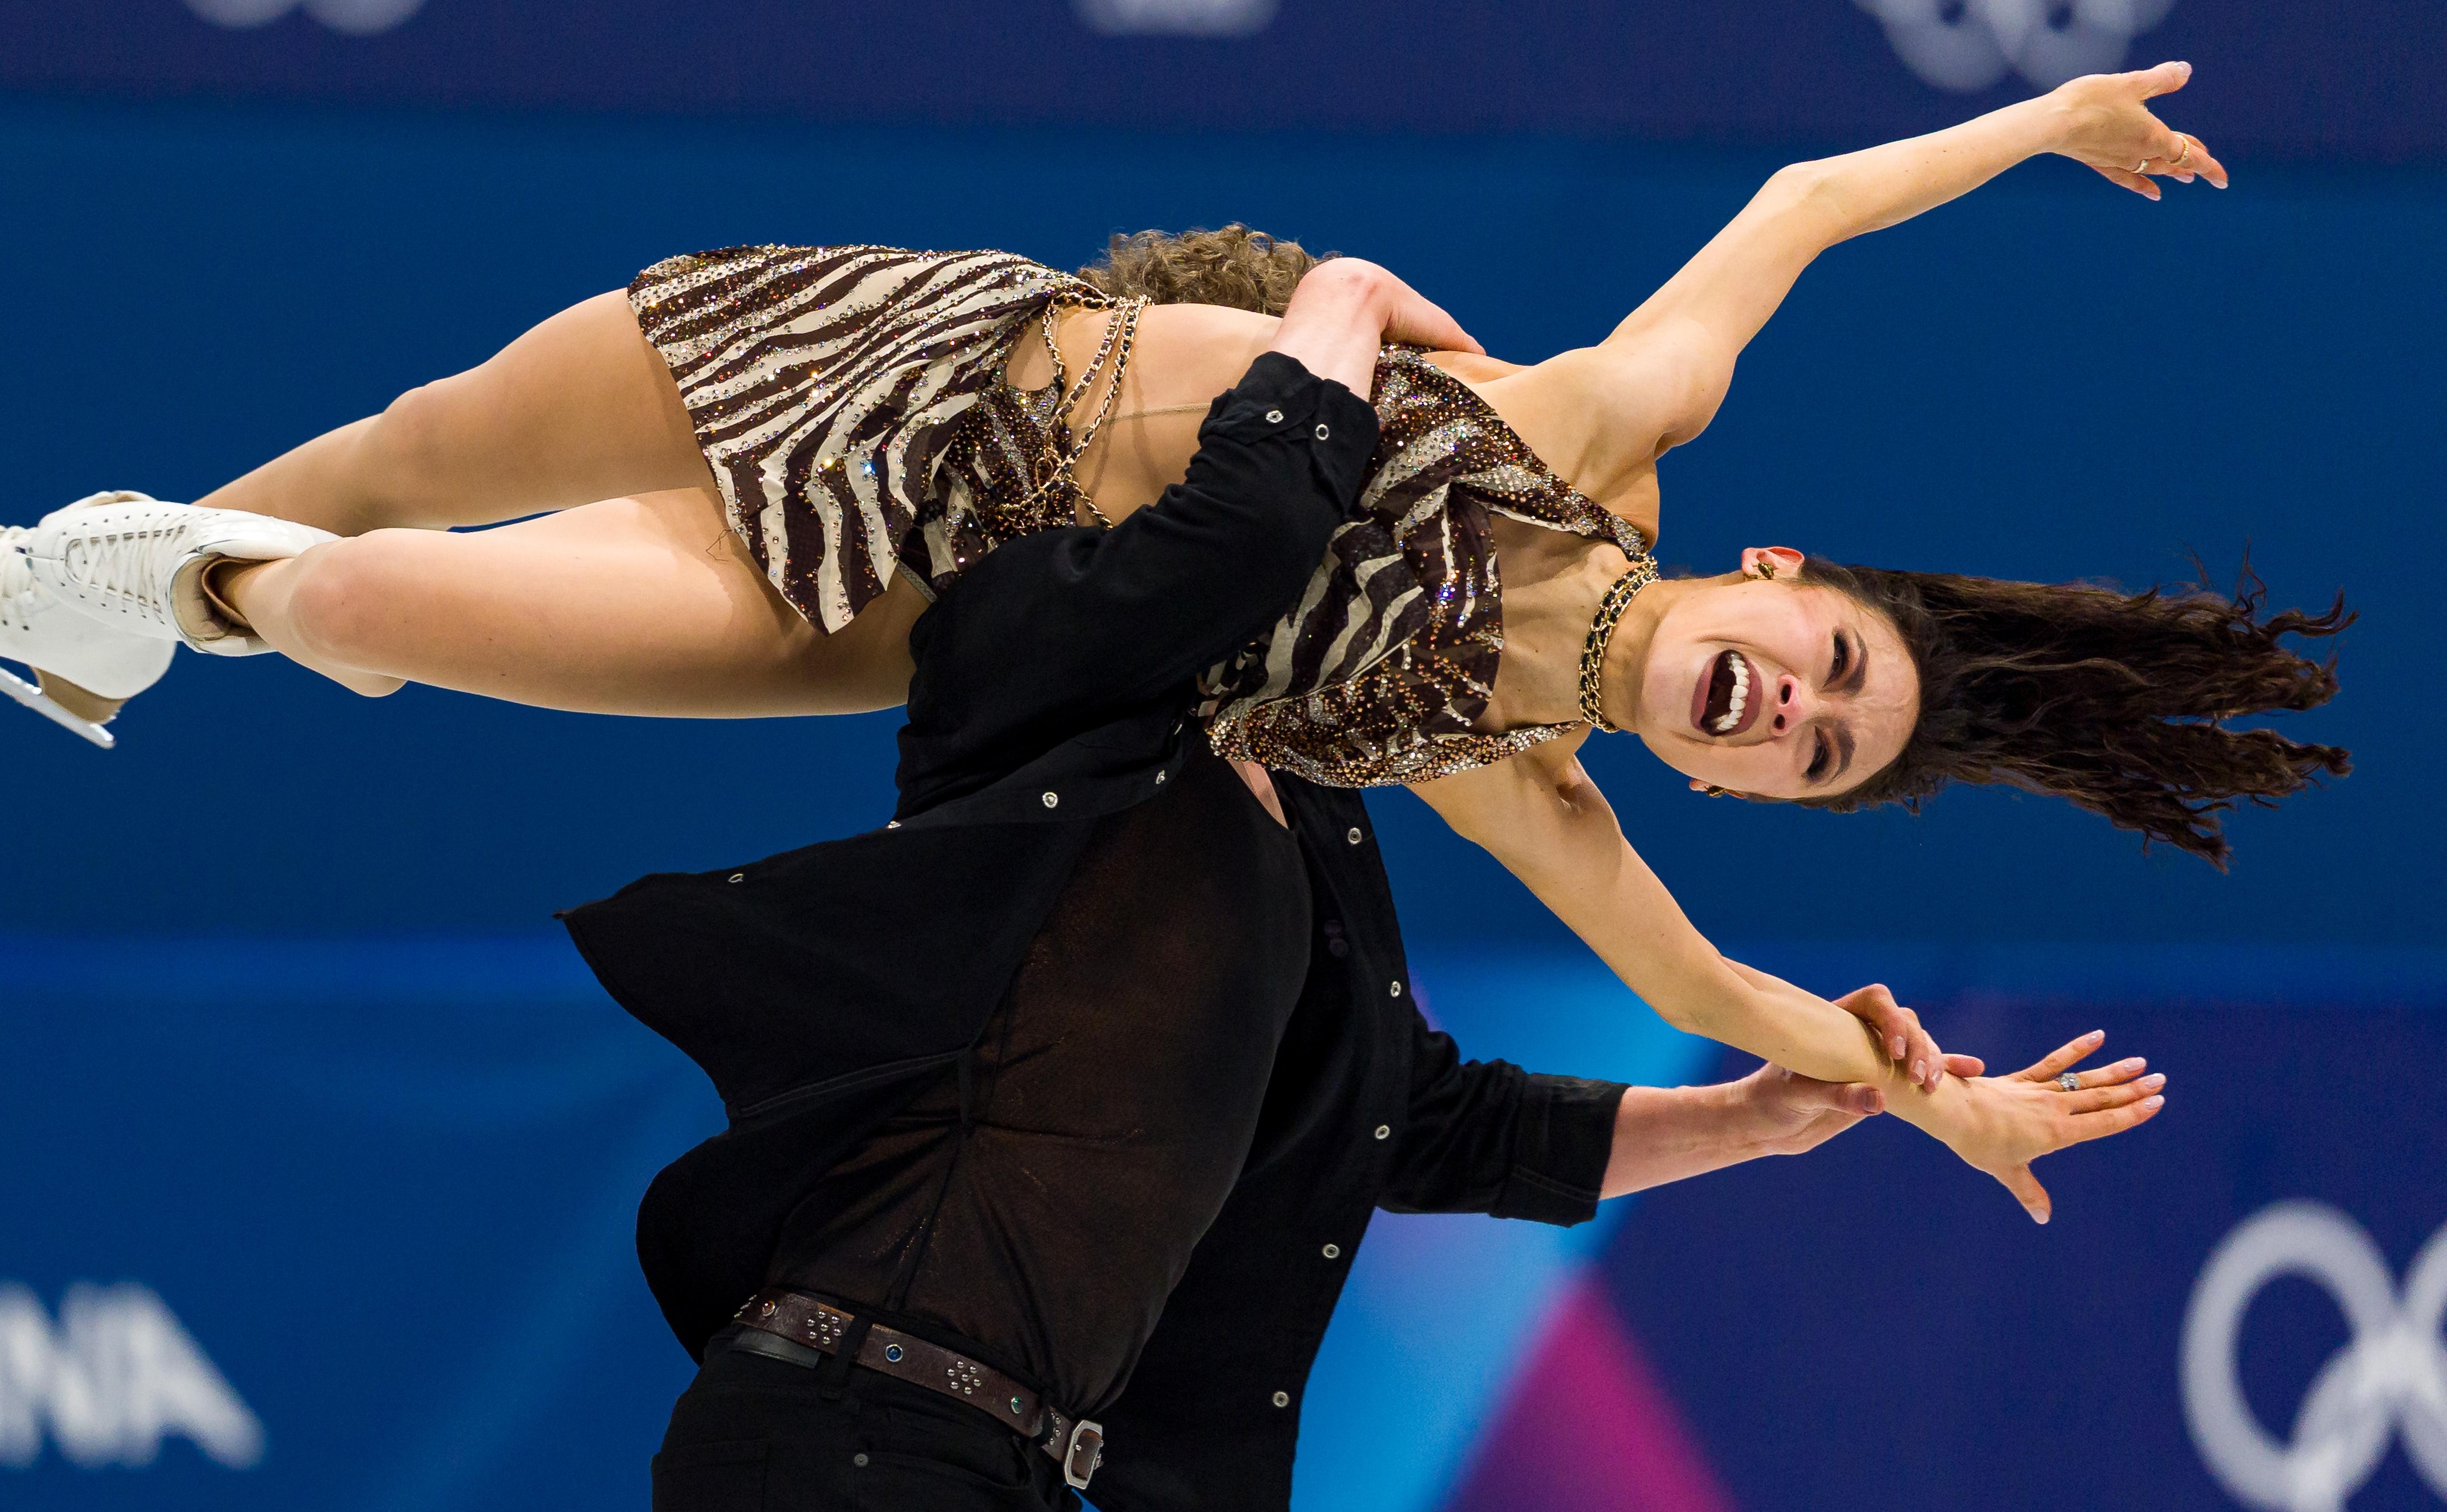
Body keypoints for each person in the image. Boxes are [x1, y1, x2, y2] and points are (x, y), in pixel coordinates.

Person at [0, 64, 2339, 1096]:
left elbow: (1712, 994)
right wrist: (2034, 120)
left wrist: (1925, 1097)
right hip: (903, 350)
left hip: (871, 626)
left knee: (358, 605)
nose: (1785, 710)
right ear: (1778, 583)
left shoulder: (1508, 772)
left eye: (1804, 748)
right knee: (387, 459)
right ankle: (78, 588)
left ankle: (199, 605)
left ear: (1722, 767)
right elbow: (1793, 202)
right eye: (1826, 669)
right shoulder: (1600, 428)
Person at [560, 271, 2163, 1510]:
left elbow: (1426, 1122)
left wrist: (1757, 1118)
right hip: (849, 1422)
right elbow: (1241, 517)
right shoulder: (1066, 676)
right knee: (361, 574)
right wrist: (1335, 302)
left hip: (998, 1462)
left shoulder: (1316, 812)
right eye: (1334, 442)